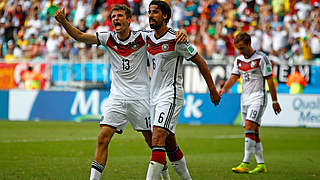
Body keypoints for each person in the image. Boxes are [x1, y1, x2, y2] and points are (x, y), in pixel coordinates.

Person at [54, 5, 187, 180]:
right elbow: (80, 36)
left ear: (129, 19)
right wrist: (64, 22)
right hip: (117, 98)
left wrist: (181, 31)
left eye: (120, 16)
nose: (116, 19)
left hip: (141, 98)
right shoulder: (107, 38)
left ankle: (165, 177)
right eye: (113, 16)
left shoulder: (142, 37)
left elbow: (163, 33)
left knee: (154, 143)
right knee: (103, 137)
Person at [145, 1, 221, 180]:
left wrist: (212, 89)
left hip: (170, 95)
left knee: (157, 140)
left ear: (165, 16)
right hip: (153, 96)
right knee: (169, 142)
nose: (150, 15)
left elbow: (200, 61)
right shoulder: (146, 37)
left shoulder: (177, 39)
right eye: (149, 12)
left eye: (155, 12)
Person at [219, 32, 281, 174]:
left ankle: (245, 163)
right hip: (245, 99)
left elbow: (270, 80)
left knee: (249, 125)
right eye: (237, 48)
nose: (240, 51)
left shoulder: (261, 58)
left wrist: (275, 100)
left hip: (258, 97)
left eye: (242, 48)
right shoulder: (239, 60)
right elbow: (233, 77)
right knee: (254, 131)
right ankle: (261, 164)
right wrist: (222, 90)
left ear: (249, 44)